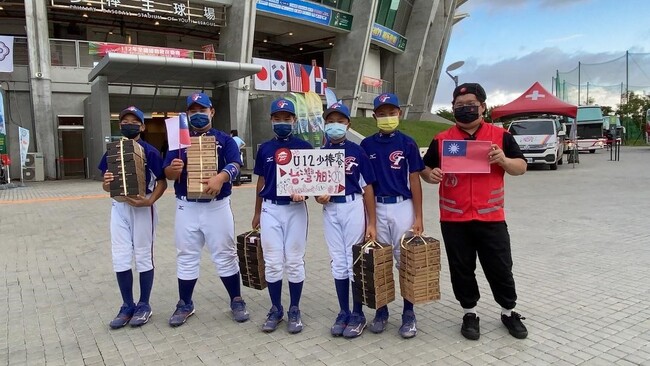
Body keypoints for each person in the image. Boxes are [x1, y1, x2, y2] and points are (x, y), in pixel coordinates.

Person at [420, 83, 529, 340]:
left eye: (470, 105)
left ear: (482, 107)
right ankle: (469, 313)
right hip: (454, 219)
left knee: (500, 267)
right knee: (461, 268)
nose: (464, 110)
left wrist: (503, 160)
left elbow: (521, 167)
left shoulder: (500, 136)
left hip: (491, 218)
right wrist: (430, 174)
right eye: (459, 107)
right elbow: (425, 169)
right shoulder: (442, 138)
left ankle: (508, 311)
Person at [163, 92, 249, 327]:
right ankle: (185, 303)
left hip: (217, 207)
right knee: (187, 255)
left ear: (211, 112)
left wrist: (221, 177)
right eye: (193, 111)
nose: (198, 115)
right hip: (186, 206)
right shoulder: (179, 141)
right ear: (187, 114)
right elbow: (167, 173)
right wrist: (174, 169)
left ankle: (236, 299)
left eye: (202, 110)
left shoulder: (224, 139)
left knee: (225, 253)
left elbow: (235, 165)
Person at [360, 93, 425, 339]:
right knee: (379, 260)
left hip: (402, 206)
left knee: (405, 260)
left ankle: (409, 313)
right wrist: (371, 221)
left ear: (399, 113)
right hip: (377, 205)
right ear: (375, 115)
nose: (387, 117)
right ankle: (381, 310)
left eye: (392, 112)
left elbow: (415, 180)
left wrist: (418, 217)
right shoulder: (366, 145)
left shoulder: (407, 143)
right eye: (382, 113)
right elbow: (366, 184)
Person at [99, 106, 167, 329]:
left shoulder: (150, 151)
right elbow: (105, 180)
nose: (129, 124)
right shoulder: (112, 151)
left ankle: (144, 304)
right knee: (119, 256)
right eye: (125, 121)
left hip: (142, 206)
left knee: (143, 256)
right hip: (118, 207)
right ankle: (127, 305)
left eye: (134, 121)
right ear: (119, 126)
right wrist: (106, 183)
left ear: (142, 126)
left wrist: (150, 201)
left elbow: (162, 181)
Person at [315, 103, 377, 338]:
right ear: (325, 124)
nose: (335, 125)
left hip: (352, 206)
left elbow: (367, 188)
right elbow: (316, 189)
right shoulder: (320, 153)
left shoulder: (357, 151)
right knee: (338, 263)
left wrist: (371, 222)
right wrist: (319, 198)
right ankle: (343, 311)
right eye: (331, 121)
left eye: (340, 121)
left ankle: (358, 313)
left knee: (354, 262)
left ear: (348, 124)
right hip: (331, 210)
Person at [251, 98, 313, 334]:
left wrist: (305, 195)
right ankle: (276, 308)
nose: (282, 122)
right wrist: (257, 211)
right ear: (271, 120)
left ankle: (294, 308)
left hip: (295, 210)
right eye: (278, 118)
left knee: (295, 261)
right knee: (274, 262)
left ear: (294, 120)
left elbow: (311, 179)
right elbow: (261, 180)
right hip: (270, 209)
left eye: (287, 118)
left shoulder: (304, 147)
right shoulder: (265, 148)